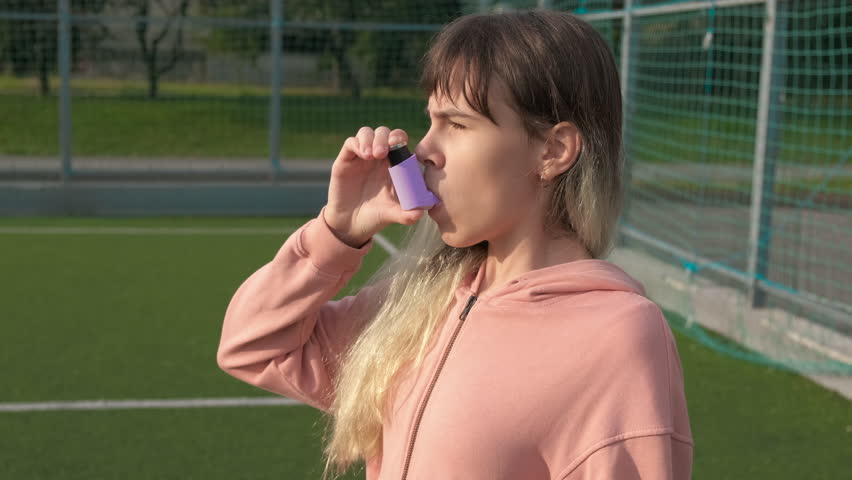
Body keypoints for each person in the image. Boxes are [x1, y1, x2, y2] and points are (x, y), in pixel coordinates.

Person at [217, 9, 693, 480]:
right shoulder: (418, 303)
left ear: (553, 151)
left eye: (457, 124)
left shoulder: (617, 336)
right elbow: (251, 346)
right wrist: (337, 232)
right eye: (430, 121)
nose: (424, 149)